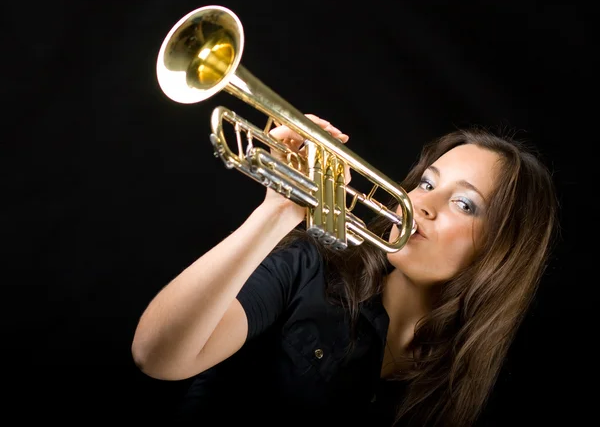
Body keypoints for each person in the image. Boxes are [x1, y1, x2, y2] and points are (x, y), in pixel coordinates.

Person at [131, 114, 559, 427]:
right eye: (427, 183)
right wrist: (277, 212)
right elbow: (158, 356)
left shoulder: (463, 382)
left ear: (501, 250)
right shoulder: (311, 268)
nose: (420, 204)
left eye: (463, 204)